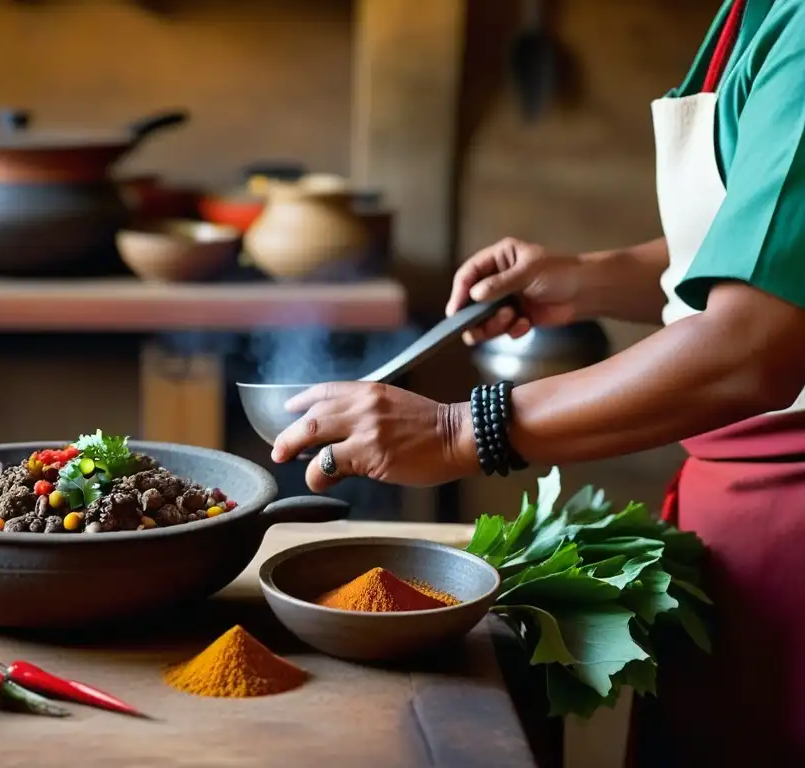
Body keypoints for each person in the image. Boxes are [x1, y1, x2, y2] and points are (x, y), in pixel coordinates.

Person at [271, 0, 805, 763]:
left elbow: (753, 344)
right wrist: (591, 279)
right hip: (738, 530)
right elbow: (760, 243)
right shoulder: (756, 15)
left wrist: (459, 430)